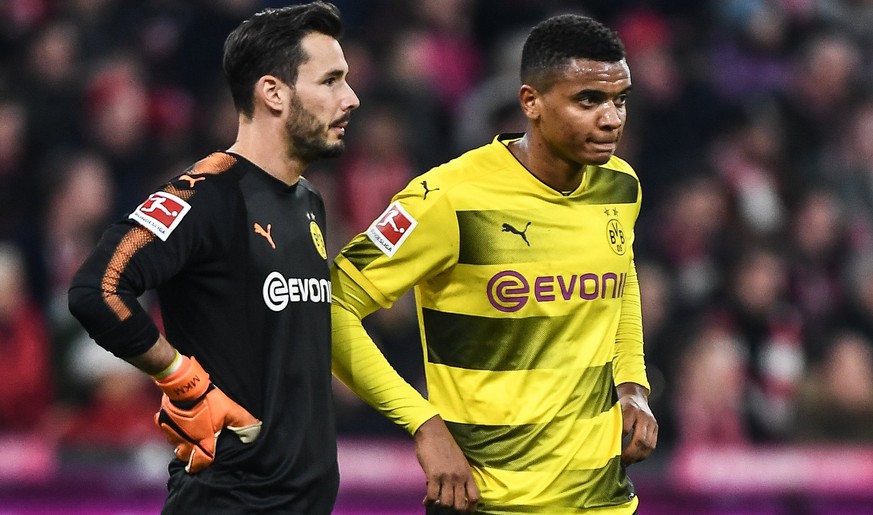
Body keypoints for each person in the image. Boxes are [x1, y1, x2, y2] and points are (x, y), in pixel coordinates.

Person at [331, 13, 658, 515]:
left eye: (620, 100)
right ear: (531, 102)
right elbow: (327, 304)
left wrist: (632, 384)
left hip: (603, 500)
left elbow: (620, 276)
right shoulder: (446, 199)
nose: (611, 119)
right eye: (588, 100)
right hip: (485, 502)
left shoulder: (620, 185)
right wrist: (423, 424)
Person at [68, 2, 359, 513]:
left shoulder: (310, 200)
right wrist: (185, 382)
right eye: (331, 81)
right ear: (273, 92)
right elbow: (98, 288)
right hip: (226, 502)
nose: (351, 98)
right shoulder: (205, 195)